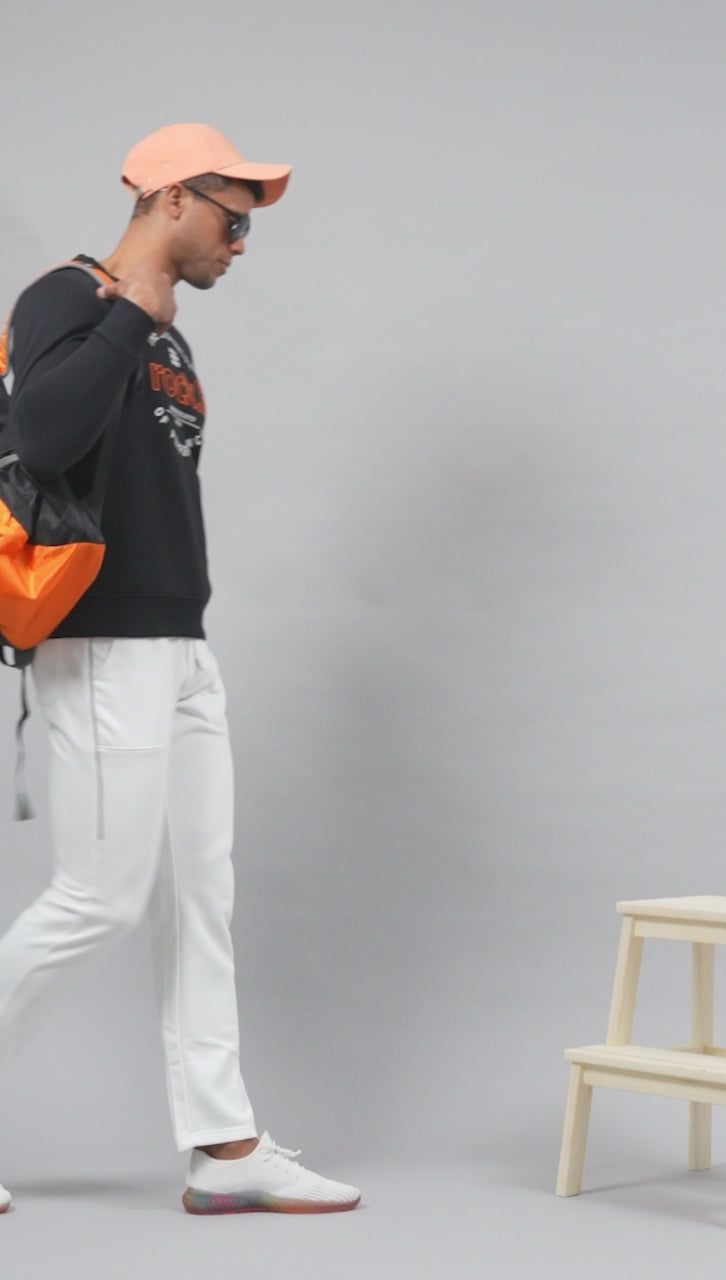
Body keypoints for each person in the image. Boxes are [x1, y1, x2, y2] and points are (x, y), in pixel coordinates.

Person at [0, 123, 360, 1216]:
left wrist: (146, 325)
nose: (239, 245)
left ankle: (223, 1143)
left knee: (202, 897)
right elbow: (38, 436)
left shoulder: (168, 338)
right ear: (170, 200)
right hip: (103, 642)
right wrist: (126, 318)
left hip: (180, 647)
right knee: (99, 898)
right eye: (231, 221)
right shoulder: (68, 299)